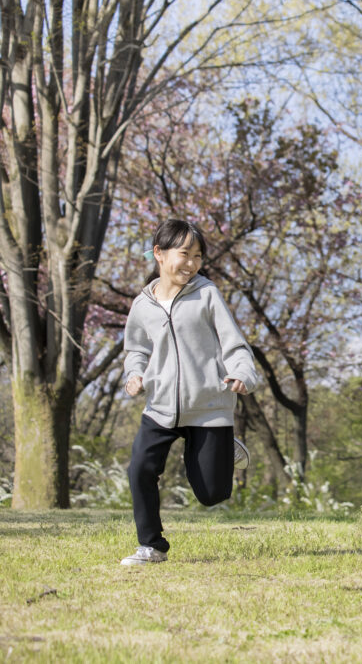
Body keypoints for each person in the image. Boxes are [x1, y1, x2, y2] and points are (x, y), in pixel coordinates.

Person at [121, 219, 258, 565]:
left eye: (198, 256)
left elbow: (235, 344)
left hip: (208, 403)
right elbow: (135, 350)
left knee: (213, 494)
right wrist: (135, 374)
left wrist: (241, 374)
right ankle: (151, 546)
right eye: (185, 254)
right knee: (140, 468)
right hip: (161, 405)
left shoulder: (206, 294)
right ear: (160, 254)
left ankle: (224, 447)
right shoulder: (142, 306)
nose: (192, 264)